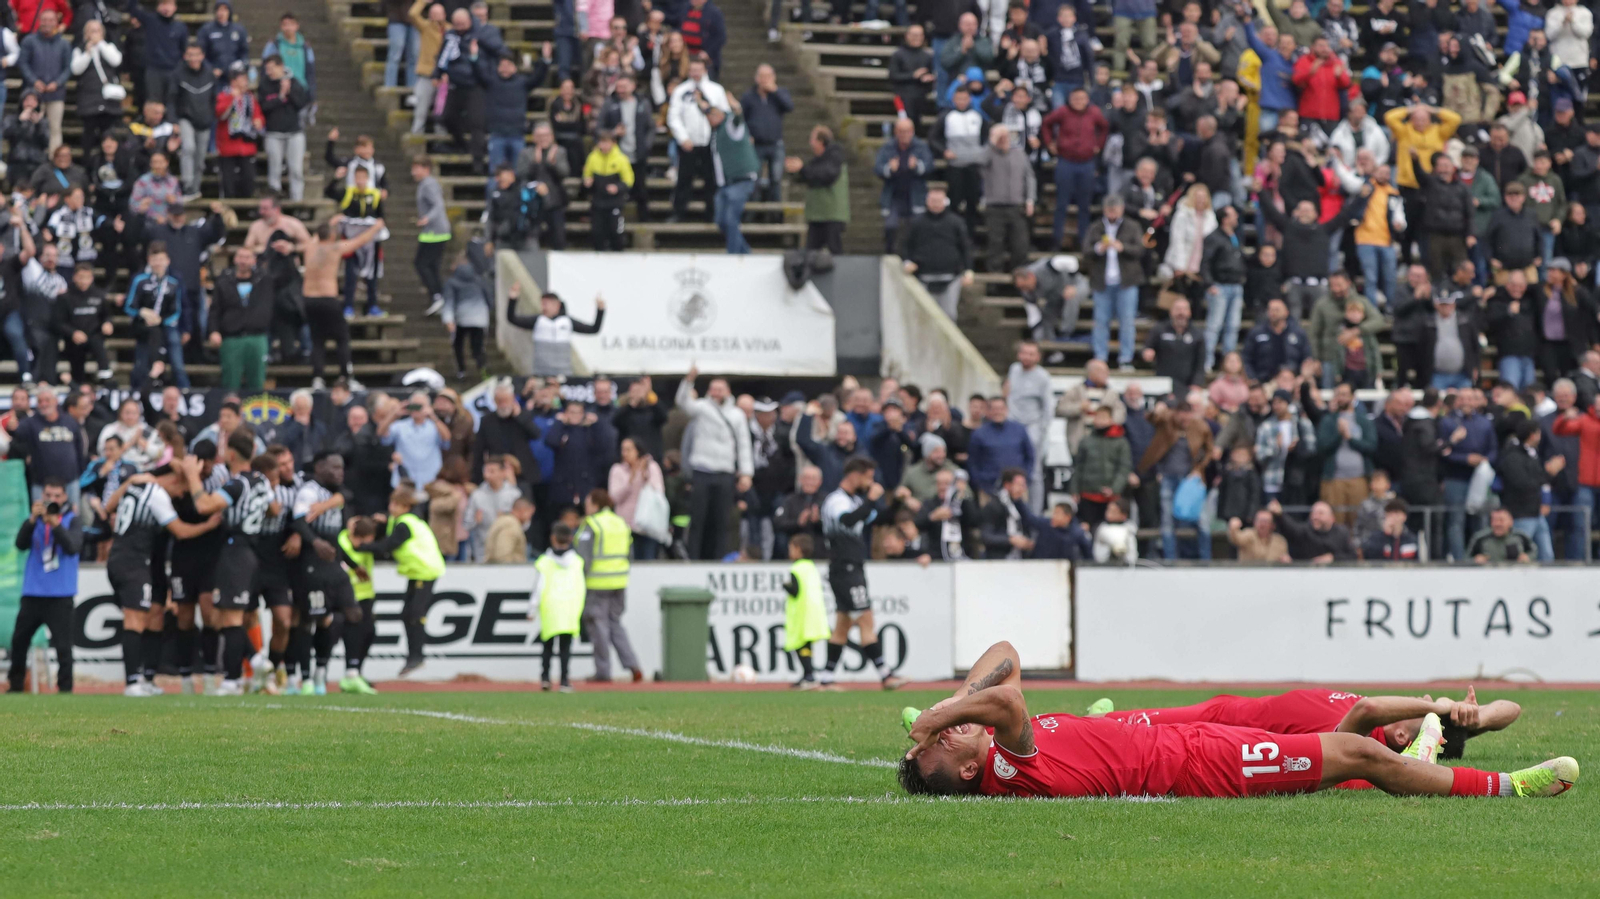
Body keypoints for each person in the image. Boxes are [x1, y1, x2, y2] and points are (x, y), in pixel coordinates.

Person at [900, 641, 1579, 799]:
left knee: (1358, 752)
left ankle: (1443, 762)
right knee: (1364, 754)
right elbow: (1010, 697)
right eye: (943, 742)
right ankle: (1506, 786)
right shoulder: (1013, 763)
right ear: (967, 766)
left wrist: (952, 699)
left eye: (945, 727)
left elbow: (1007, 657)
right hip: (1202, 764)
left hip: (1200, 739)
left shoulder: (996, 743)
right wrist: (943, 709)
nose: (946, 730)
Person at [1089, 685, 1522, 760]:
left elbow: (1369, 706)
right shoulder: (1425, 725)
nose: (1423, 698)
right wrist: (1472, 715)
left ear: (1403, 734)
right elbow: (1513, 710)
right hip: (1242, 708)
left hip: (1232, 721)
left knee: (1149, 730)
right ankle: (1104, 721)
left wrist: (1441, 708)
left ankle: (1099, 724)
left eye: (1420, 708)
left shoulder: (1360, 735)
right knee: (1137, 724)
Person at [103, 463, 219, 696]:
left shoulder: (135, 487)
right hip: (132, 560)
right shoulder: (156, 494)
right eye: (183, 488)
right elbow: (181, 531)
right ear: (174, 480)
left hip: (127, 558)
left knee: (151, 617)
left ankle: (144, 679)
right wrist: (209, 525)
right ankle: (132, 682)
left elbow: (108, 507)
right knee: (134, 620)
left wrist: (128, 482)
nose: (182, 494)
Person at [181, 433, 274, 696]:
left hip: (236, 551)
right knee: (223, 616)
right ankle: (256, 660)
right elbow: (271, 509)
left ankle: (233, 680)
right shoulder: (261, 481)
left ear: (231, 454)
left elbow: (204, 505)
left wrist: (191, 475)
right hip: (251, 551)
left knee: (231, 619)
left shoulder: (238, 484)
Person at [818, 457, 907, 690]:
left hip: (852, 567)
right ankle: (885, 675)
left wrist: (897, 502)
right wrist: (871, 499)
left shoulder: (856, 500)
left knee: (842, 626)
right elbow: (848, 521)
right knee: (866, 618)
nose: (870, 482)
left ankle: (826, 677)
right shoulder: (836, 500)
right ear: (854, 475)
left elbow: (880, 519)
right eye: (868, 477)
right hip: (844, 567)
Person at [361, 486, 445, 677]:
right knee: (407, 613)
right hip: (417, 572)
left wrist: (363, 547)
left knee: (415, 613)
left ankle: (417, 656)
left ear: (406, 506)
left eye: (396, 504)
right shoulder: (402, 521)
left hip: (425, 570)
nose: (391, 507)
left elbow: (388, 545)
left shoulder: (405, 523)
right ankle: (413, 656)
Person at [7, 478, 80, 693]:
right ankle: (16, 685)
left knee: (64, 646)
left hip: (60, 594)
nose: (52, 500)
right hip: (33, 592)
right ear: (42, 496)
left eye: (57, 496)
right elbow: (20, 544)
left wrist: (55, 524)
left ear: (64, 497)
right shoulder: (34, 521)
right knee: (19, 641)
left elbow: (72, 547)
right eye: (48, 496)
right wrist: (32, 519)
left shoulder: (72, 520)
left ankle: (65, 688)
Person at [676, 365, 753, 560]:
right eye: (713, 389)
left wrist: (746, 473)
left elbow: (744, 445)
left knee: (721, 521)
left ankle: (718, 559)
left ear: (728, 391)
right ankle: (694, 558)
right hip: (702, 470)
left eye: (720, 389)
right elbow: (683, 402)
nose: (716, 393)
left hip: (725, 473)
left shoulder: (736, 415)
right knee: (698, 520)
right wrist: (688, 381)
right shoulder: (701, 408)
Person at [301, 216, 386, 389]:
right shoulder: (335, 247)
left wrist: (331, 222)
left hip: (309, 299)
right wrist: (376, 227)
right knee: (342, 338)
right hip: (327, 299)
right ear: (332, 236)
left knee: (318, 340)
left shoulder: (309, 247)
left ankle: (318, 378)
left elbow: (316, 237)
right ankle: (346, 377)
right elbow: (361, 240)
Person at [577, 488, 642, 683]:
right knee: (615, 624)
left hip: (597, 582)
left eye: (588, 503)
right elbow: (630, 553)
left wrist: (580, 580)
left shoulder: (592, 524)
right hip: (620, 582)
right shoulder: (621, 523)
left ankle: (603, 672)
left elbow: (583, 557)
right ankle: (633, 665)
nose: (585, 507)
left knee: (599, 627)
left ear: (596, 505)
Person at [898, 188, 973, 320]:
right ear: (927, 201)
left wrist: (968, 270)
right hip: (923, 277)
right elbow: (904, 245)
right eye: (933, 200)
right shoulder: (916, 222)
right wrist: (907, 262)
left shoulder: (956, 222)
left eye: (939, 201)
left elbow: (966, 247)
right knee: (922, 316)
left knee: (949, 315)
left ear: (945, 202)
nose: (936, 204)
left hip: (951, 277)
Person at [503, 285, 605, 378]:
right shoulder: (538, 320)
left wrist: (600, 311)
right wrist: (513, 299)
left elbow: (593, 329)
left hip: (564, 374)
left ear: (557, 305)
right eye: (542, 304)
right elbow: (512, 319)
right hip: (541, 374)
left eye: (546, 304)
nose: (543, 307)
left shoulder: (567, 322)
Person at [529, 521, 584, 691]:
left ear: (553, 538)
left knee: (547, 645)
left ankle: (545, 678)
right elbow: (581, 586)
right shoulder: (577, 561)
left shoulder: (545, 561)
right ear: (570, 538)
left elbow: (539, 587)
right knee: (565, 648)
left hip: (550, 607)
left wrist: (532, 608)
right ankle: (564, 680)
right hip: (569, 607)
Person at [785, 125, 849, 255]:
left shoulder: (834, 156)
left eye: (812, 140)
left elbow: (825, 175)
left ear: (821, 141)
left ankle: (840, 275)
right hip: (817, 215)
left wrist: (802, 169)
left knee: (835, 251)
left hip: (831, 215)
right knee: (811, 252)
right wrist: (795, 171)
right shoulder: (819, 160)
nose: (810, 143)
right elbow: (808, 174)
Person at [257, 54, 310, 201]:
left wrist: (289, 92)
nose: (269, 72)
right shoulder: (265, 85)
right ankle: (275, 201)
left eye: (272, 68)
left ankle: (297, 200)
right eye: (267, 69)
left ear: (281, 67)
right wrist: (280, 97)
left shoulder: (294, 82)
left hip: (294, 133)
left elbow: (301, 104)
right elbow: (264, 107)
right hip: (273, 133)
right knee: (274, 169)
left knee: (296, 169)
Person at [1467, 506, 1536, 563]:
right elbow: (1465, 560)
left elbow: (1534, 551)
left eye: (1501, 520)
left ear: (1510, 522)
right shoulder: (1480, 538)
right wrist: (1475, 561)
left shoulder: (1520, 536)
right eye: (1494, 520)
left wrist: (1527, 557)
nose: (1497, 524)